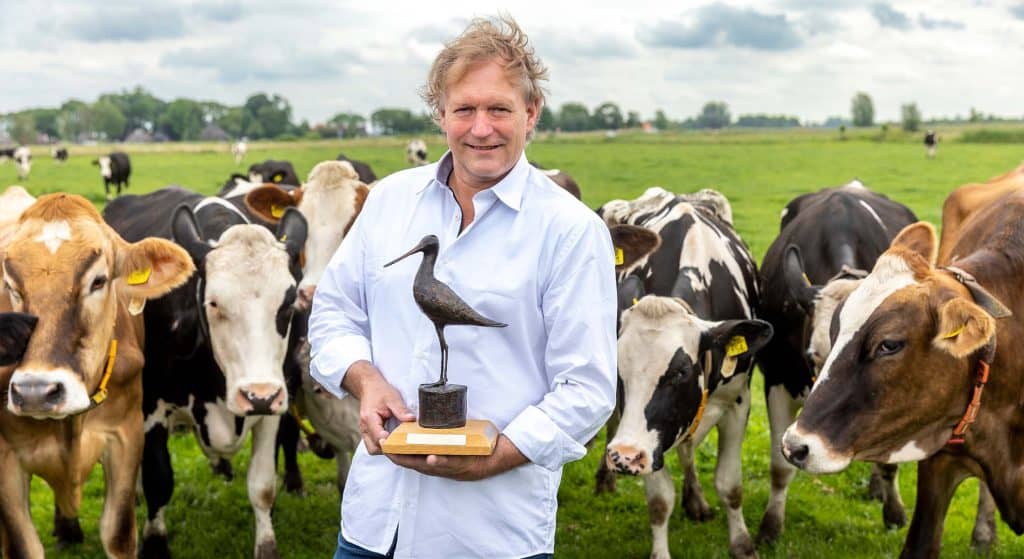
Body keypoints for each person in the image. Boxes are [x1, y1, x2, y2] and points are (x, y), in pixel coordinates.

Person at [308, 15, 617, 559]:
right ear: (441, 115)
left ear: (531, 113)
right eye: (464, 110)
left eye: (499, 108)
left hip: (491, 534)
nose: (481, 128)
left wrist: (499, 454)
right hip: (372, 525)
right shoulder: (388, 202)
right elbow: (334, 314)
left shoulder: (569, 230)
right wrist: (366, 381)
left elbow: (588, 387)